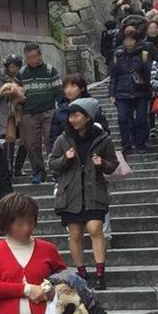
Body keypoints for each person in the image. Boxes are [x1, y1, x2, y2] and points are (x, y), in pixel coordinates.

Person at [48, 98, 116, 290]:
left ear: (87, 117)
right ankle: (82, 272)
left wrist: (101, 163)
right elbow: (52, 164)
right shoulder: (63, 139)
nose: (73, 119)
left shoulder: (102, 139)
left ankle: (100, 273)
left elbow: (112, 165)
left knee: (95, 228)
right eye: (71, 115)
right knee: (75, 233)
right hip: (71, 193)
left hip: (94, 191)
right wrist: (65, 158)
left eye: (77, 115)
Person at [14, 44, 61, 183]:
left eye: (34, 57)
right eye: (29, 58)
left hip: (48, 111)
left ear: (40, 55)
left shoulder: (50, 70)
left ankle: (56, 171)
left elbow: (59, 91)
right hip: (28, 112)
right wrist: (18, 97)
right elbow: (15, 92)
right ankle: (39, 172)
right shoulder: (21, 73)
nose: (32, 60)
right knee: (31, 144)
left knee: (50, 141)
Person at [110, 29, 153, 154]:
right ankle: (126, 144)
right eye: (126, 40)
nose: (128, 42)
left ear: (136, 41)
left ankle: (141, 143)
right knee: (123, 119)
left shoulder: (143, 55)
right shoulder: (118, 56)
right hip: (122, 92)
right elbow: (114, 76)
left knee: (141, 119)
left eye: (131, 40)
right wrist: (112, 93)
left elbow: (148, 73)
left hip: (140, 92)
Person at [0, 55, 25, 170]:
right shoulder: (1, 78)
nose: (13, 69)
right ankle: (9, 168)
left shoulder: (23, 77)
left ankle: (18, 168)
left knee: (26, 141)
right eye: (11, 67)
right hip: (7, 114)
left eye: (15, 67)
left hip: (23, 112)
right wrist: (2, 90)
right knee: (9, 140)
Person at [46, 73, 91, 149]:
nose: (69, 90)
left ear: (82, 88)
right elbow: (54, 136)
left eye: (73, 86)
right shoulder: (60, 111)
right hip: (67, 151)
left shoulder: (91, 106)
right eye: (66, 87)